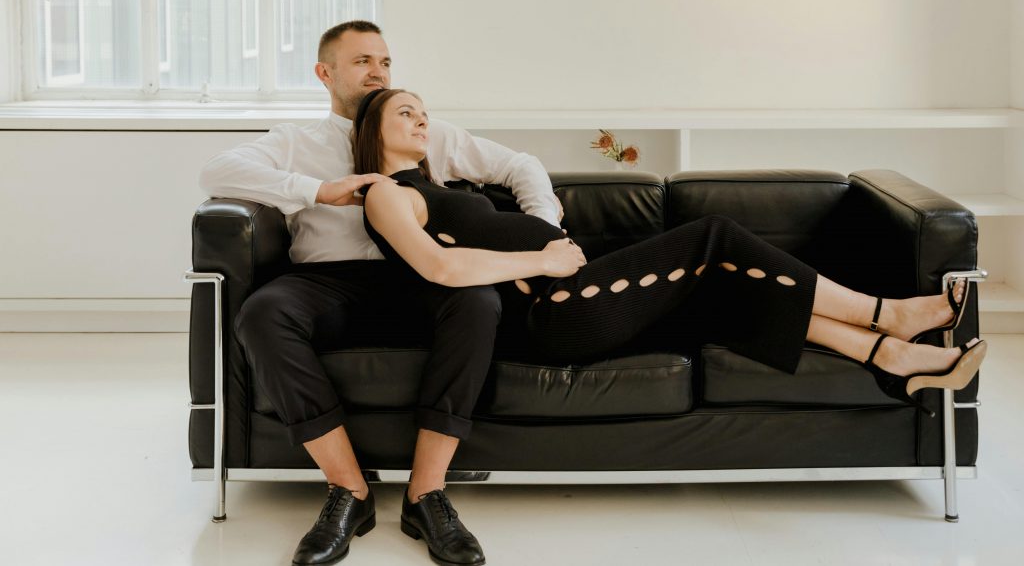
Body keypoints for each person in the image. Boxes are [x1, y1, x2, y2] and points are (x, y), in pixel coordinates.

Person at [354, 88, 987, 425]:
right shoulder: (387, 193)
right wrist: (542, 261)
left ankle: (891, 358)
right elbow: (439, 268)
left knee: (728, 291)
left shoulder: (444, 186)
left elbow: (513, 181)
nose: (422, 120)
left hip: (572, 294)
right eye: (406, 112)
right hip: (553, 309)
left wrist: (540, 236)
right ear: (369, 132)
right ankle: (887, 314)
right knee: (715, 236)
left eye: (425, 113)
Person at [199, 21, 561, 566]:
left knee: (478, 302)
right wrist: (317, 190)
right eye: (363, 61)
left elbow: (520, 165)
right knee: (262, 313)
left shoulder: (423, 132)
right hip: (328, 281)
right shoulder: (296, 142)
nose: (378, 72)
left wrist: (544, 230)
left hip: (420, 276)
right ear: (325, 73)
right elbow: (216, 171)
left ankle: (426, 494)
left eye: (385, 62)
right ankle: (349, 491)